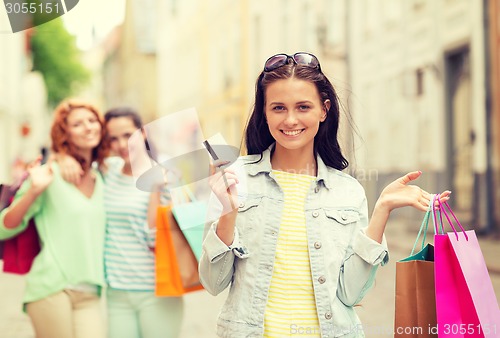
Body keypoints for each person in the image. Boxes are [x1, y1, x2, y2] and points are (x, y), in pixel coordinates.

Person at [199, 52, 451, 338]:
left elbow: (350, 292)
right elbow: (213, 282)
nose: (291, 119)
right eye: (278, 108)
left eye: (303, 107)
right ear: (265, 113)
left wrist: (382, 209)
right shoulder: (234, 179)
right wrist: (227, 212)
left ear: (324, 109)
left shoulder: (348, 191)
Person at [58, 107, 184, 338]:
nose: (121, 144)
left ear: (143, 133)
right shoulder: (107, 172)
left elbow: (156, 238)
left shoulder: (166, 176)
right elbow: (76, 157)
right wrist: (63, 157)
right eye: (113, 138)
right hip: (117, 292)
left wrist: (155, 189)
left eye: (128, 135)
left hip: (157, 291)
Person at [0, 99, 108, 338]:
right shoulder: (48, 175)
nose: (89, 127)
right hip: (51, 288)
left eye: (92, 121)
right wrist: (33, 191)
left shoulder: (102, 179)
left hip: (90, 291)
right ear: (64, 134)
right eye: (78, 124)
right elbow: (4, 228)